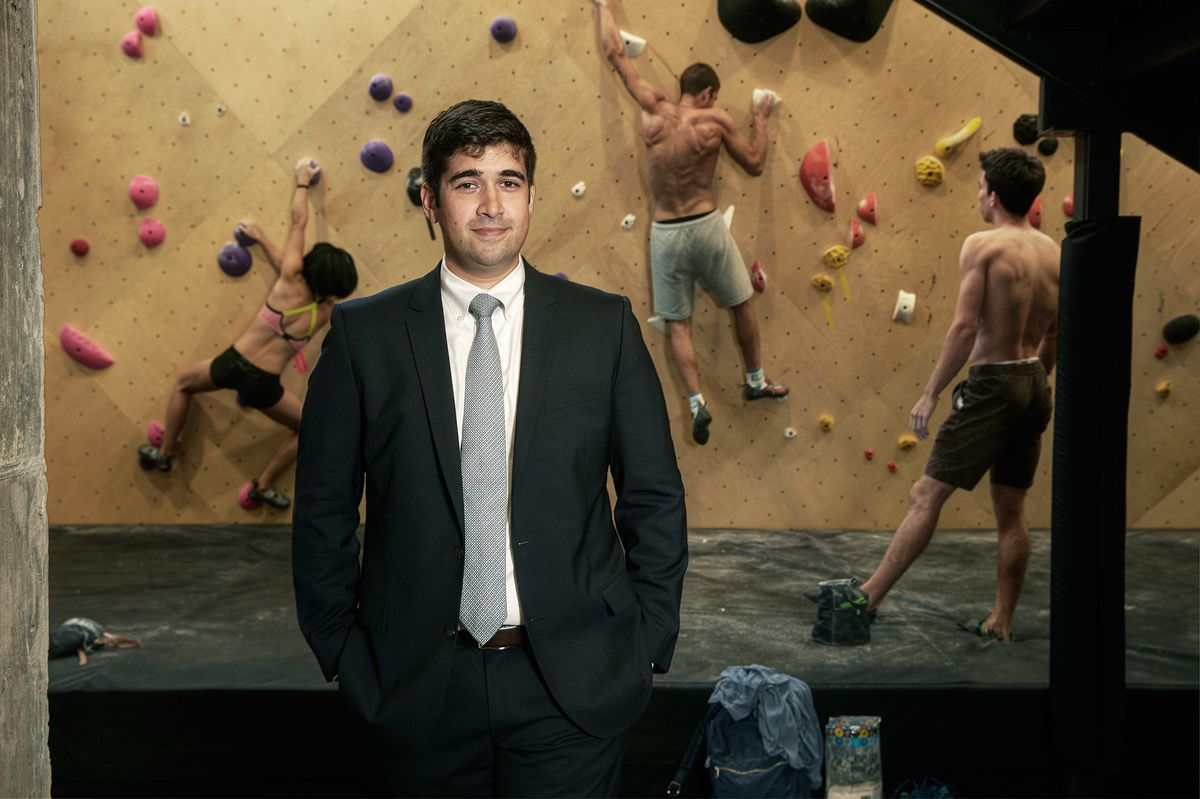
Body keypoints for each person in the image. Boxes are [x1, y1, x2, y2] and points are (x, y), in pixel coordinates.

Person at [291, 99, 688, 797]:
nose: (490, 204)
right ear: (429, 201)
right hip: (414, 688)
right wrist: (341, 649)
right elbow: (323, 506)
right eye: (467, 181)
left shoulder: (604, 327)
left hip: (570, 684)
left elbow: (653, 495)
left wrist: (645, 640)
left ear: (532, 198)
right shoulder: (365, 336)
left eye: (508, 181)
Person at [818, 148, 1059, 642]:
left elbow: (965, 326)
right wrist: (1032, 380)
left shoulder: (983, 246)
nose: (977, 195)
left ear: (993, 195)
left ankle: (868, 597)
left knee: (926, 494)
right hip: (1034, 382)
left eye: (978, 187)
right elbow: (1055, 332)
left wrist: (930, 393)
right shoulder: (1056, 253)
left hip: (993, 383)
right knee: (1012, 510)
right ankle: (1002, 621)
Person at [594, 0, 788, 446]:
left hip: (665, 232)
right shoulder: (715, 121)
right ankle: (755, 380)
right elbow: (755, 164)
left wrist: (604, 4)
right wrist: (759, 118)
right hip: (706, 224)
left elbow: (615, 54)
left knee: (678, 323)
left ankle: (697, 402)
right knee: (741, 303)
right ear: (708, 94)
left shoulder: (652, 108)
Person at [136, 159, 357, 510]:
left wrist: (302, 181)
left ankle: (166, 453)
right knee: (308, 428)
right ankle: (262, 485)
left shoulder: (290, 280)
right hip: (263, 384)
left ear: (310, 266)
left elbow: (299, 222)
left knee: (184, 383)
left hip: (233, 362)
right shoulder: (329, 313)